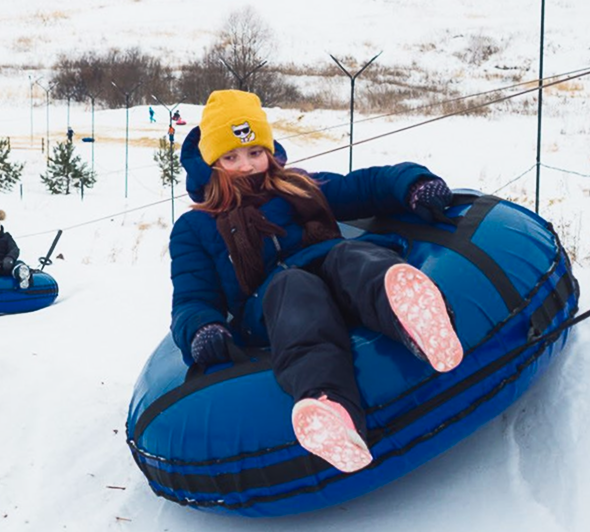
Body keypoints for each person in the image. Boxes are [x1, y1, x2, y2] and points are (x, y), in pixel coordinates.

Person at [169, 90, 462, 474]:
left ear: (269, 151)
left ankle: (417, 320)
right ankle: (331, 408)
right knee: (294, 286)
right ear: (212, 163)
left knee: (349, 255)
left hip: (332, 270)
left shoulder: (298, 186)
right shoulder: (195, 226)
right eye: (231, 157)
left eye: (255, 152)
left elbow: (364, 186)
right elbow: (191, 296)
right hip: (271, 304)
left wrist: (413, 184)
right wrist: (201, 329)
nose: (247, 166)